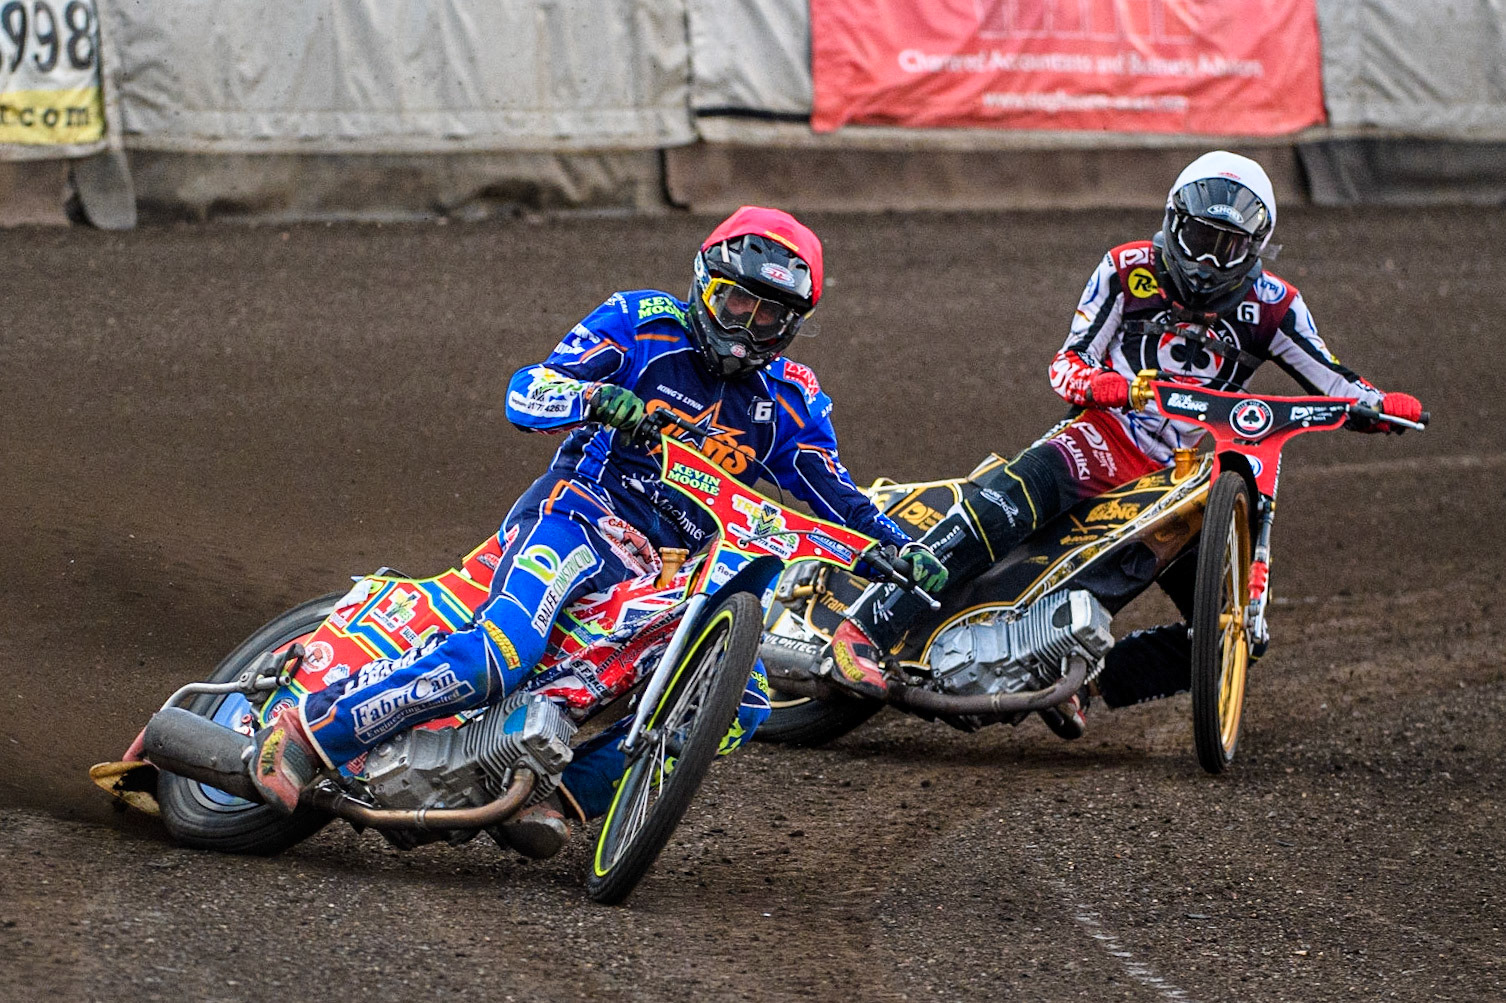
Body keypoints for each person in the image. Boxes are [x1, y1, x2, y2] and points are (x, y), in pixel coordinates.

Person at [248, 206, 947, 854]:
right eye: (738, 301)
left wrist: (899, 546)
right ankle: (307, 733)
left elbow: (835, 493)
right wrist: (592, 397)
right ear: (706, 286)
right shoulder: (641, 321)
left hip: (672, 573)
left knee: (745, 701)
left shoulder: (791, 397)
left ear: (791, 325)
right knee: (503, 653)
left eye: (770, 316)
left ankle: (556, 795)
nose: (747, 324)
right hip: (579, 517)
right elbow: (526, 390)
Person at [822, 151, 1425, 729]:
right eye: (1198, 238)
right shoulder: (1126, 269)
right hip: (1104, 436)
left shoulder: (1275, 305)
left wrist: (1378, 406)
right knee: (1011, 497)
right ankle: (866, 628)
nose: (1207, 260)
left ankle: (1086, 684)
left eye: (1226, 246)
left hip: (1182, 475)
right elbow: (1066, 364)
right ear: (1173, 222)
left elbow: (1334, 382)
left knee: (1228, 630)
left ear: (1255, 248)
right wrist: (1102, 386)